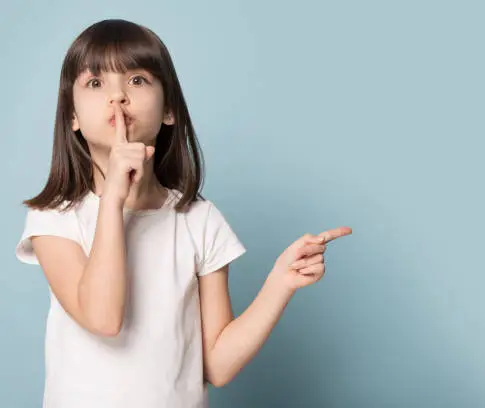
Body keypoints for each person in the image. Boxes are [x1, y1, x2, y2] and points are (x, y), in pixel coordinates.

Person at [14, 19, 352, 408]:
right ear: (72, 116)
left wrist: (280, 283)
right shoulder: (54, 218)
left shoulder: (199, 220)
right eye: (95, 83)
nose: (117, 97)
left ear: (169, 109)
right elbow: (103, 318)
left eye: (137, 80)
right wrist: (112, 202)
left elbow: (218, 367)